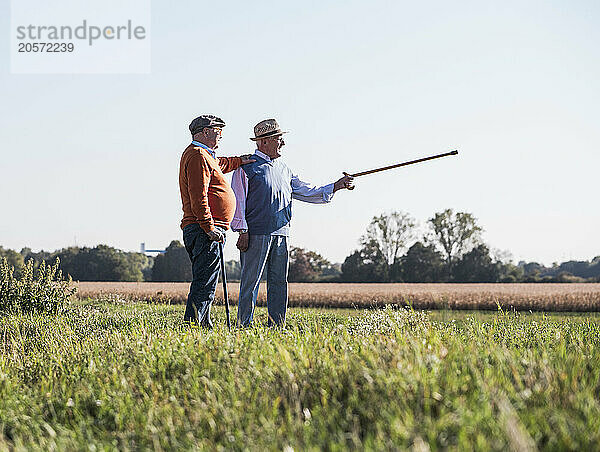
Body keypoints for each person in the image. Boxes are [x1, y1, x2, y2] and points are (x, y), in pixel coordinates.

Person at [231, 118, 354, 327]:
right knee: (250, 283)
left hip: (282, 233)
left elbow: (308, 191)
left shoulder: (285, 169)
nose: (283, 144)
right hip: (255, 234)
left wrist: (336, 186)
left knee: (279, 282)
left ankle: (277, 325)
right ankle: (244, 325)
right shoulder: (246, 167)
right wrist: (242, 230)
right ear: (265, 141)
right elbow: (238, 200)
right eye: (279, 139)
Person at [179, 114, 254, 328]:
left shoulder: (204, 155)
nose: (220, 135)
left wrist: (239, 161)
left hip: (206, 228)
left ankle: (204, 323)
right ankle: (194, 326)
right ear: (205, 132)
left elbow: (220, 163)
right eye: (217, 131)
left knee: (208, 279)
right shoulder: (197, 155)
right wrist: (209, 226)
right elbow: (198, 194)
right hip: (204, 229)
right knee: (204, 281)